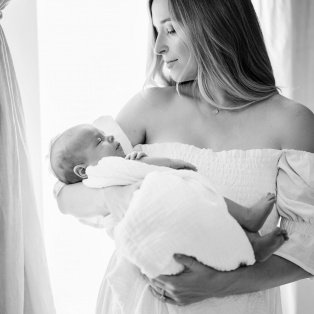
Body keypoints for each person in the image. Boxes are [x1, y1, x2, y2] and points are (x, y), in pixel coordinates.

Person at [55, 0, 314, 313]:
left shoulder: (291, 122)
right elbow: (65, 191)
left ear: (215, 23)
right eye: (156, 31)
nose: (159, 47)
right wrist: (114, 195)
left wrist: (222, 284)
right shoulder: (148, 106)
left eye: (171, 29)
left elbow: (307, 241)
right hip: (138, 303)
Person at [50, 123, 287, 274]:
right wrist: (172, 163)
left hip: (154, 233)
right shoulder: (107, 168)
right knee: (202, 197)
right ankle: (247, 222)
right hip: (158, 214)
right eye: (100, 140)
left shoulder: (99, 175)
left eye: (104, 134)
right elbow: (146, 169)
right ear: (82, 171)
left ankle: (250, 248)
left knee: (206, 234)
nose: (110, 136)